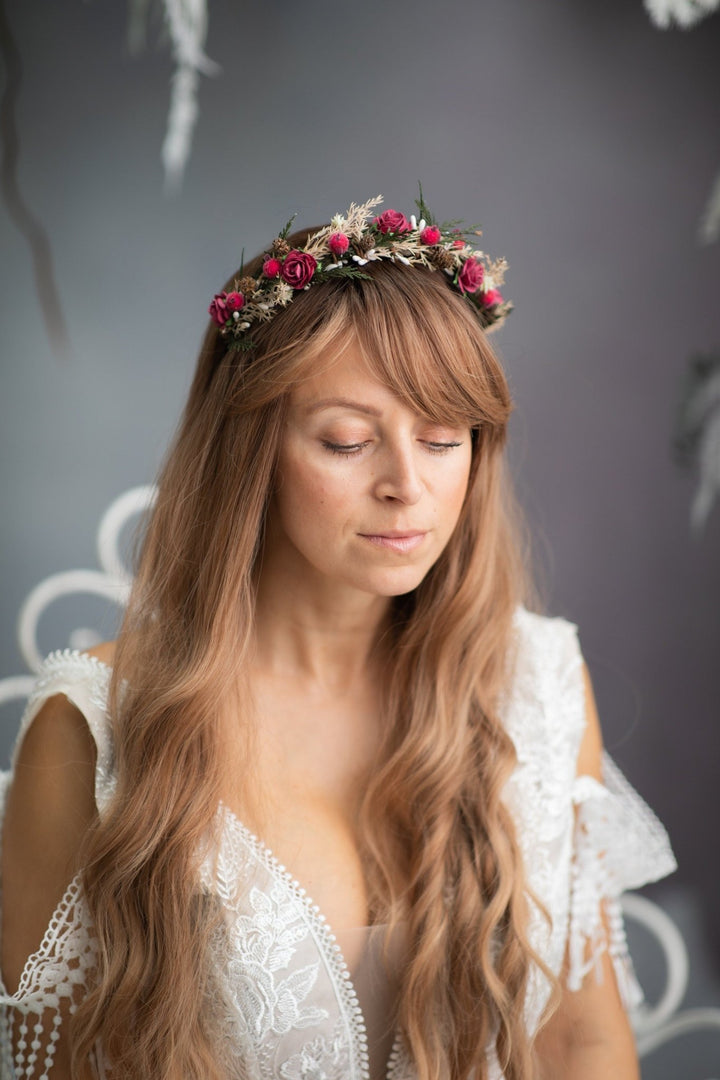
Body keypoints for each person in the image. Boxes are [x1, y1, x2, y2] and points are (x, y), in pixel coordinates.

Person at [0, 194, 676, 1080]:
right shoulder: (93, 730)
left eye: (443, 439)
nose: (408, 484)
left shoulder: (538, 685)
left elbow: (581, 1040)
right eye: (349, 440)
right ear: (251, 451)